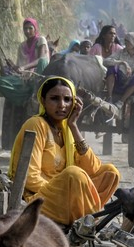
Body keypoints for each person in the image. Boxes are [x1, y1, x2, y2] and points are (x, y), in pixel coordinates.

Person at [10, 76, 120, 226]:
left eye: (67, 100)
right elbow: (30, 179)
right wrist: (63, 190)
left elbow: (93, 168)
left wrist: (73, 126)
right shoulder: (36, 124)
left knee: (110, 173)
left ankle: (83, 216)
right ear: (43, 101)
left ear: (74, 103)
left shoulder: (67, 129)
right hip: (39, 198)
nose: (62, 105)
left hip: (65, 195)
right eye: (54, 99)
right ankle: (88, 223)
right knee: (74, 174)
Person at [104, 31, 134, 104]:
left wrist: (130, 76)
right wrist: (122, 62)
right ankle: (109, 97)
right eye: (125, 41)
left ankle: (121, 101)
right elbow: (105, 61)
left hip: (132, 87)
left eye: (128, 41)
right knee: (111, 68)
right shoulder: (121, 52)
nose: (125, 43)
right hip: (119, 84)